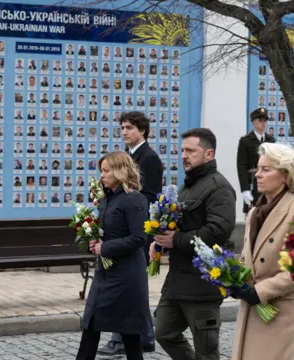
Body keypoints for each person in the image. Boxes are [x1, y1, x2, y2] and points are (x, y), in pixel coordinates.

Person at [150, 128, 236, 360]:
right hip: (177, 282)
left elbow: (218, 231)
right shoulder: (188, 186)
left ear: (209, 154)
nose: (184, 155)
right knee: (164, 333)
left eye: (190, 150)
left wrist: (175, 240)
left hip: (202, 285)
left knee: (206, 352)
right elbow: (179, 222)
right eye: (182, 150)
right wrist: (160, 242)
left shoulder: (219, 188)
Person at [231, 143, 294, 360]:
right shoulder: (253, 214)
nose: (258, 175)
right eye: (258, 169)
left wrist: (260, 291)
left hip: (279, 316)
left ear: (286, 176)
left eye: (266, 169)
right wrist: (233, 279)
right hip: (250, 313)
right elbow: (247, 257)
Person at [98, 111, 162, 355]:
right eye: (122, 127)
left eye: (129, 128)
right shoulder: (126, 157)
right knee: (134, 289)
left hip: (137, 230)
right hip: (121, 229)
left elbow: (150, 196)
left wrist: (123, 200)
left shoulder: (150, 159)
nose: (124, 132)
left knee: (128, 287)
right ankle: (144, 336)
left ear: (142, 131)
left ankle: (120, 339)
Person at [77, 151, 149, 360]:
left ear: (120, 171)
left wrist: (105, 248)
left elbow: (138, 238)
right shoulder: (105, 199)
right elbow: (106, 231)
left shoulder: (134, 199)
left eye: (106, 171)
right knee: (90, 322)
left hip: (127, 275)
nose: (102, 176)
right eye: (101, 171)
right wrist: (93, 241)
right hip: (105, 273)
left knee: (129, 331)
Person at [237, 107, 275, 215]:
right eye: (260, 120)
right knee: (252, 217)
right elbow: (242, 166)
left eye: (265, 121)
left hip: (268, 183)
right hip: (252, 183)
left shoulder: (271, 140)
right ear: (253, 122)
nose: (263, 123)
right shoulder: (245, 141)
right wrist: (245, 190)